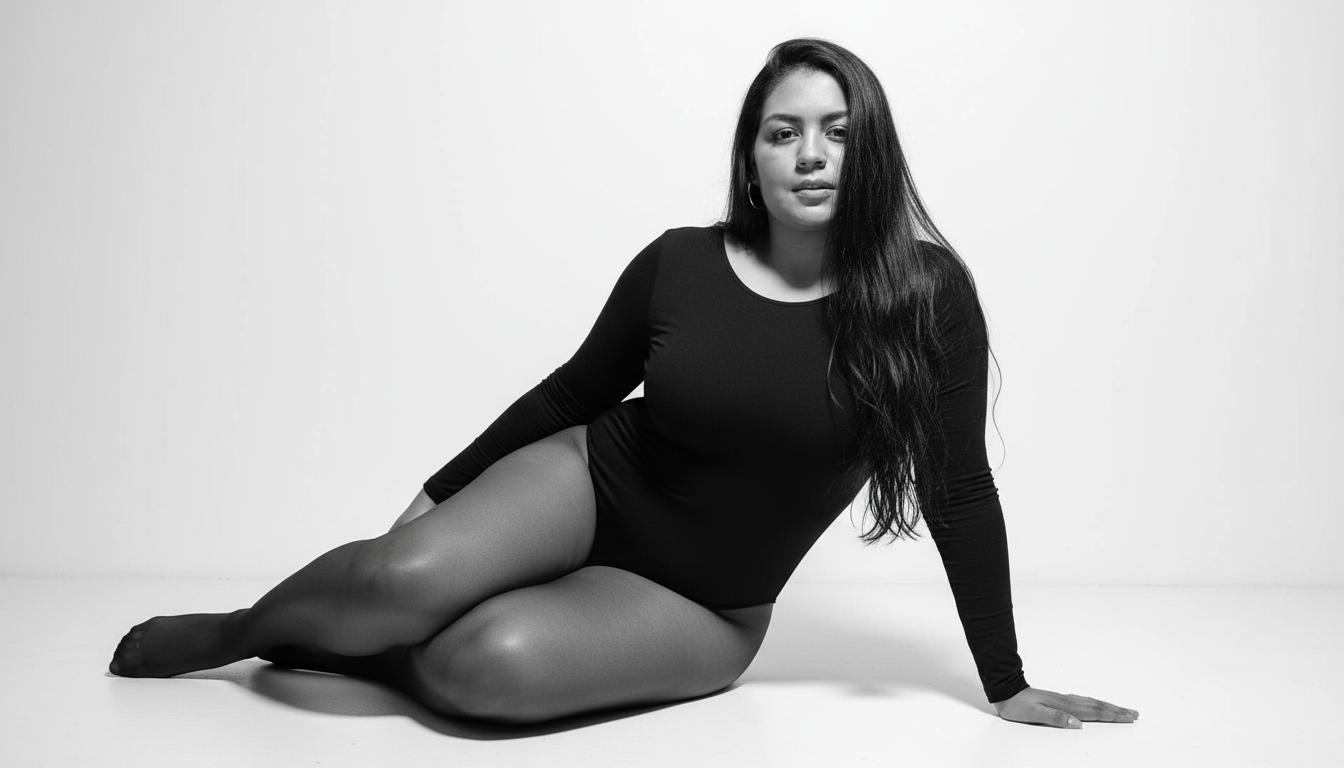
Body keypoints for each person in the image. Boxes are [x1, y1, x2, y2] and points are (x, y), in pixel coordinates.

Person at [109, 37, 1139, 730]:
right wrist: (436, 496)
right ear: (751, 158)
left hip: (706, 601)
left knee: (483, 668)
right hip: (592, 482)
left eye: (838, 131)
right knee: (395, 578)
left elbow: (959, 487)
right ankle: (241, 633)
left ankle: (371, 651)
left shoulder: (926, 294)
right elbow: (571, 396)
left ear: (871, 151)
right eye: (783, 132)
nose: (811, 155)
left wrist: (1005, 682)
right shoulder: (680, 262)